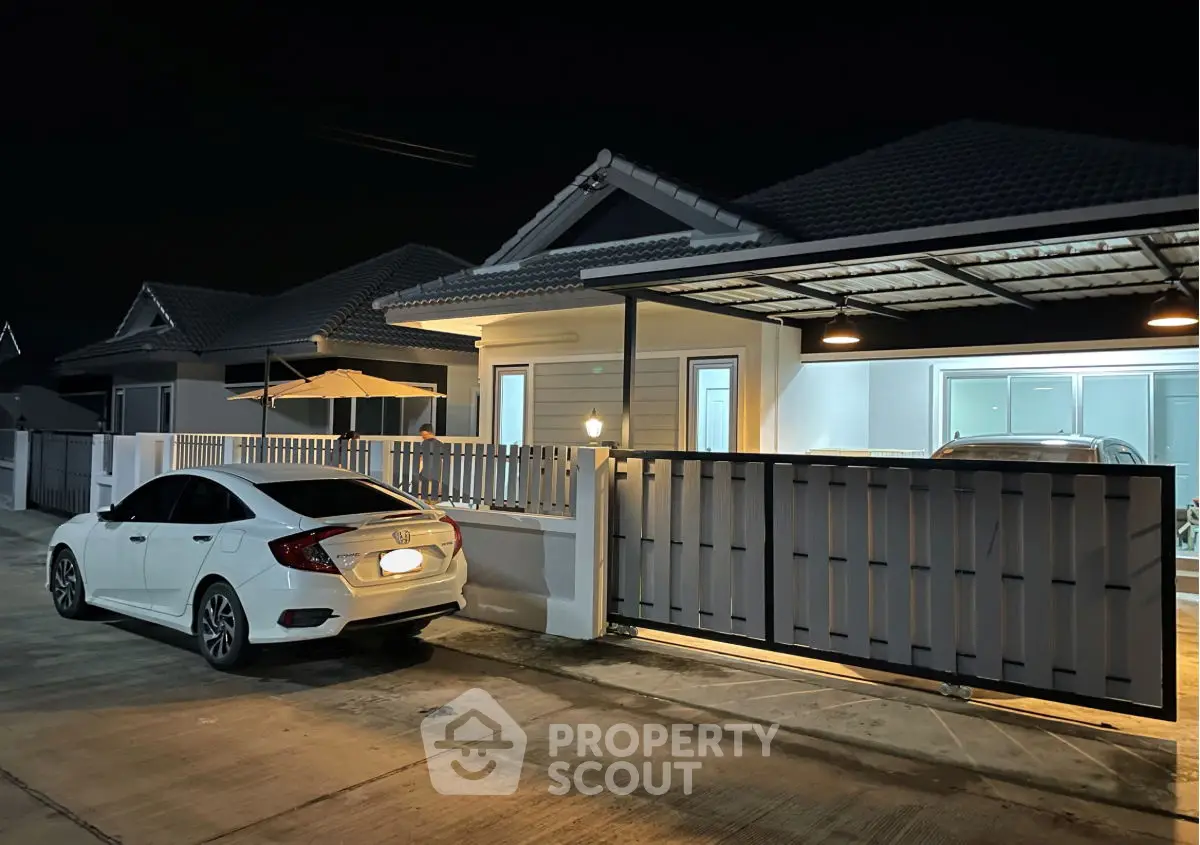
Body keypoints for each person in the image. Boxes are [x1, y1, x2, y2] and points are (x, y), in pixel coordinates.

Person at [416, 424, 444, 504]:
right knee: (429, 498)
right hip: (430, 473)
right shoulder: (439, 444)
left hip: (431, 474)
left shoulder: (428, 444)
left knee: (429, 498)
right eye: (422, 436)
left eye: (424, 435)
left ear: (430, 433)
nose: (423, 437)